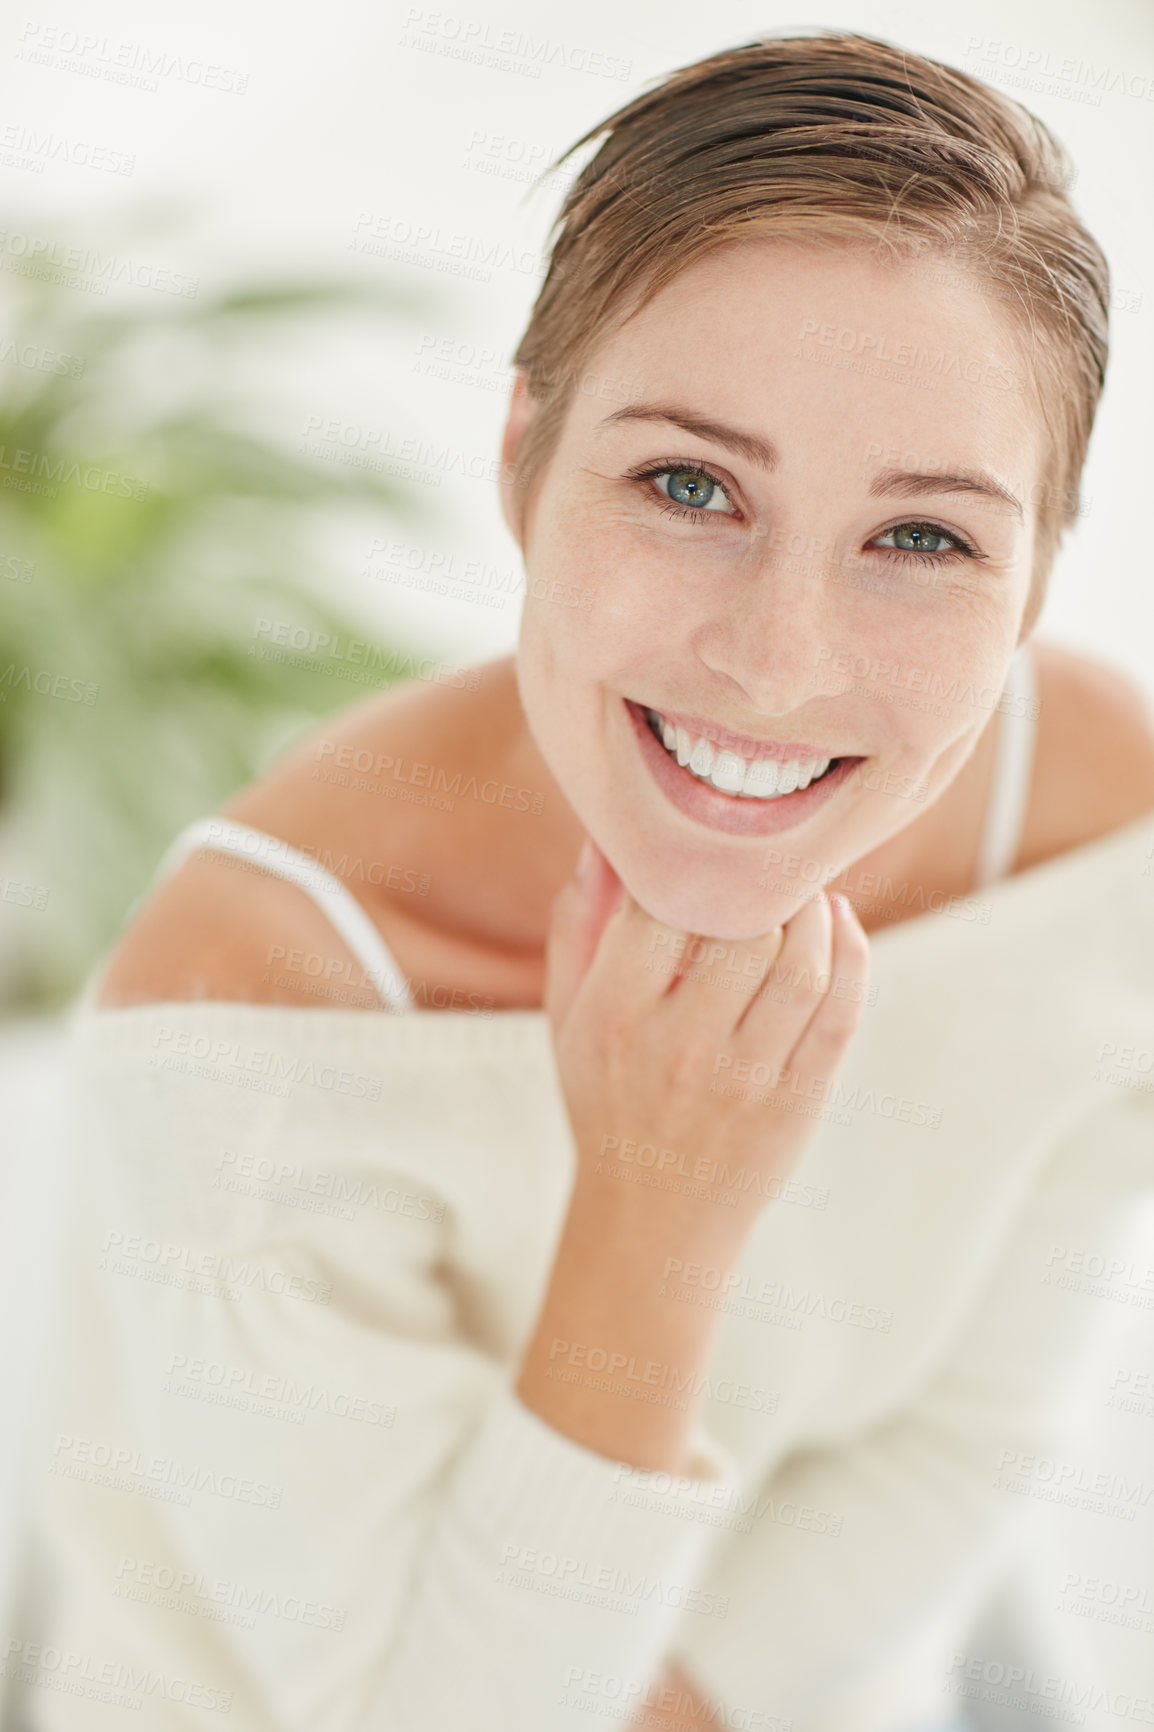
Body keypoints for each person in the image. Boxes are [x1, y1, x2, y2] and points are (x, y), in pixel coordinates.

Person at [8, 29, 1154, 1732]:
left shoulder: (1094, 834)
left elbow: (962, 1440)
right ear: (523, 463)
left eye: (922, 537)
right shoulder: (248, 1006)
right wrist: (657, 1207)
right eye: (687, 485)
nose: (776, 665)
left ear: (1037, 573)